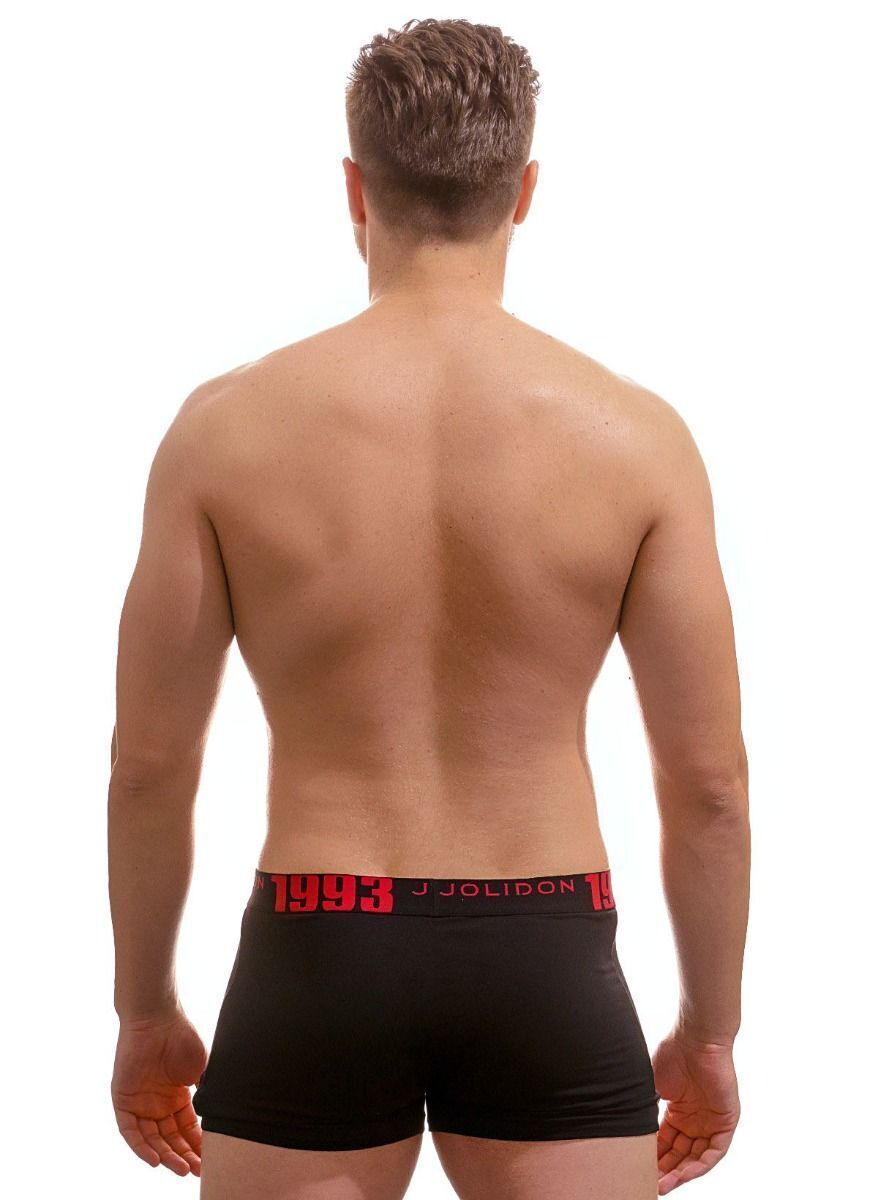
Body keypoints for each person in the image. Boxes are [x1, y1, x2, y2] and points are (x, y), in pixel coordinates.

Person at [107, 16, 750, 1200]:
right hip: (547, 943)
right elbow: (708, 785)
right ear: (525, 190)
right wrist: (707, 1034)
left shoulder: (223, 433)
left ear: (354, 188)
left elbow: (150, 767)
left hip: (316, 936)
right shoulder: (636, 441)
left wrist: (144, 1011)